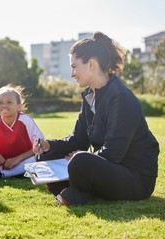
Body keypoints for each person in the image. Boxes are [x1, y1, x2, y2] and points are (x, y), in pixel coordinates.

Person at [33, 31, 159, 206]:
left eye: (74, 66)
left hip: (134, 178)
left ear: (91, 64)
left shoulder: (121, 97)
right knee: (47, 156)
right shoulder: (90, 96)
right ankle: (77, 188)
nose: (72, 73)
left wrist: (79, 158)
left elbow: (113, 153)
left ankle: (79, 191)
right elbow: (78, 139)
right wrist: (49, 145)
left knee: (80, 161)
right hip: (110, 169)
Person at [0, 84, 44, 178]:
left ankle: (3, 174)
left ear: (19, 106)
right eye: (0, 102)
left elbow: (40, 145)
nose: (4, 105)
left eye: (9, 102)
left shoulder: (25, 120)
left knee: (40, 156)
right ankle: (9, 171)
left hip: (23, 161)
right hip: (0, 163)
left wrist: (18, 159)